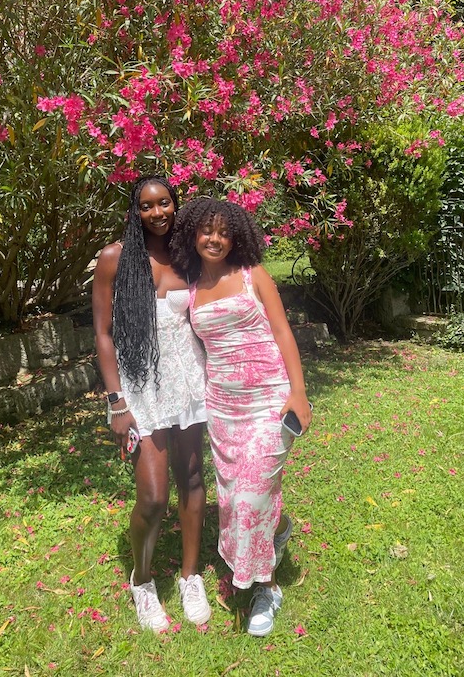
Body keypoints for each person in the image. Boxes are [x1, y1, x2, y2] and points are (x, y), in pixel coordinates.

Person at [170, 197, 313, 637]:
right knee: (235, 498)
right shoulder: (189, 286)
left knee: (248, 497)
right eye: (206, 230)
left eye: (224, 232)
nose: (214, 239)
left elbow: (282, 330)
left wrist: (299, 392)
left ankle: (265, 589)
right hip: (223, 408)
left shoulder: (254, 276)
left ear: (237, 237)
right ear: (193, 234)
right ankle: (279, 527)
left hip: (269, 399)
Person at [92, 175, 211, 633]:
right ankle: (142, 581)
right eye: (147, 206)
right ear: (134, 211)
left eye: (165, 203)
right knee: (153, 497)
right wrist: (116, 401)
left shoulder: (187, 257)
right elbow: (103, 334)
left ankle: (189, 576)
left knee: (194, 478)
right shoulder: (114, 259)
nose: (157, 212)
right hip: (141, 388)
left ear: (175, 205)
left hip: (189, 383)